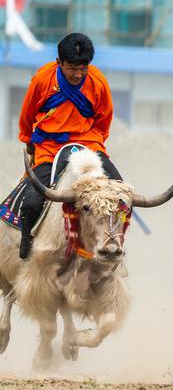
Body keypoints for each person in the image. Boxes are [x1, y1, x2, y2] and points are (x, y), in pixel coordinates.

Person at [17, 32, 118, 260]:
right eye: (72, 67)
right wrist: (29, 143)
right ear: (59, 62)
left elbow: (104, 120)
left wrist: (95, 145)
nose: (78, 74)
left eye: (83, 68)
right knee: (32, 201)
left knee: (119, 191)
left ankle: (114, 241)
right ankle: (26, 239)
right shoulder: (43, 80)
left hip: (88, 144)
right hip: (48, 146)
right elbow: (27, 116)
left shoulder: (98, 82)